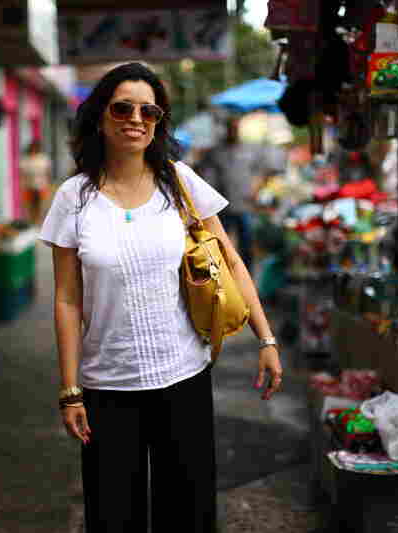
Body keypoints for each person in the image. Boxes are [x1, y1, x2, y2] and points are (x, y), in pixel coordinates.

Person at [39, 62, 283, 533]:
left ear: (159, 120)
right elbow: (67, 299)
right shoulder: (74, 198)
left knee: (188, 514)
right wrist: (70, 389)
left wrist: (266, 339)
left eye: (149, 110)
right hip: (107, 386)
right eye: (123, 107)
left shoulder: (181, 183)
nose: (136, 118)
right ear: (100, 116)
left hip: (183, 378)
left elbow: (232, 263)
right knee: (113, 516)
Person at [197, 117, 287, 268]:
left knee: (247, 242)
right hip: (223, 206)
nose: (233, 131)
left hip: (245, 204)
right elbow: (205, 173)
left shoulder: (250, 149)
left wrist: (256, 188)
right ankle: (225, 272)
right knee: (221, 241)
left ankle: (247, 272)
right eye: (230, 128)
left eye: (235, 128)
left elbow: (264, 171)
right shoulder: (217, 151)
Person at [20, 139, 52, 225]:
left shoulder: (43, 159)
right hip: (29, 186)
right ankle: (32, 222)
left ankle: (39, 222)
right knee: (31, 205)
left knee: (41, 205)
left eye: (36, 148)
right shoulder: (25, 159)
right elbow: (22, 173)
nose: (34, 150)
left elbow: (48, 172)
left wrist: (48, 185)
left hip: (41, 185)